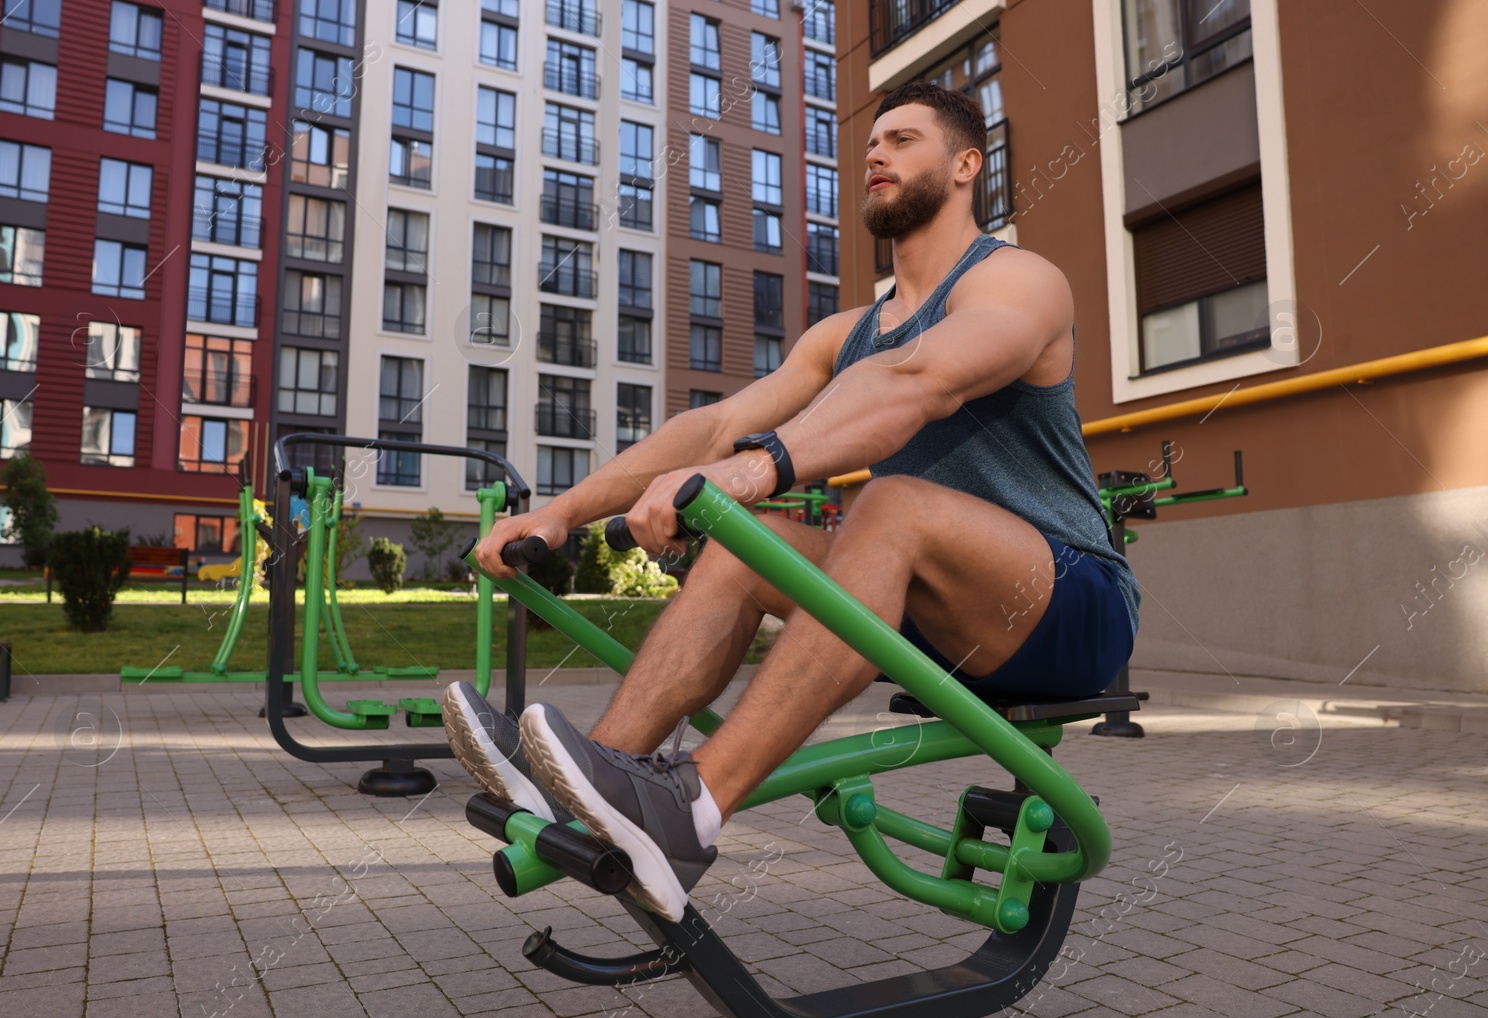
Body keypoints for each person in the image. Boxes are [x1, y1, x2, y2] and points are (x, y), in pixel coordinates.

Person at [442, 81, 1139, 923]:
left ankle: (692, 808)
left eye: (903, 139)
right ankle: (585, 782)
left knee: (890, 508)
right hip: (934, 613)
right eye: (871, 144)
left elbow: (921, 380)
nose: (875, 154)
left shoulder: (1021, 281)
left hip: (1067, 601)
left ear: (965, 165)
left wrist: (760, 467)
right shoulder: (844, 335)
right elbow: (718, 422)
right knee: (746, 544)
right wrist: (564, 510)